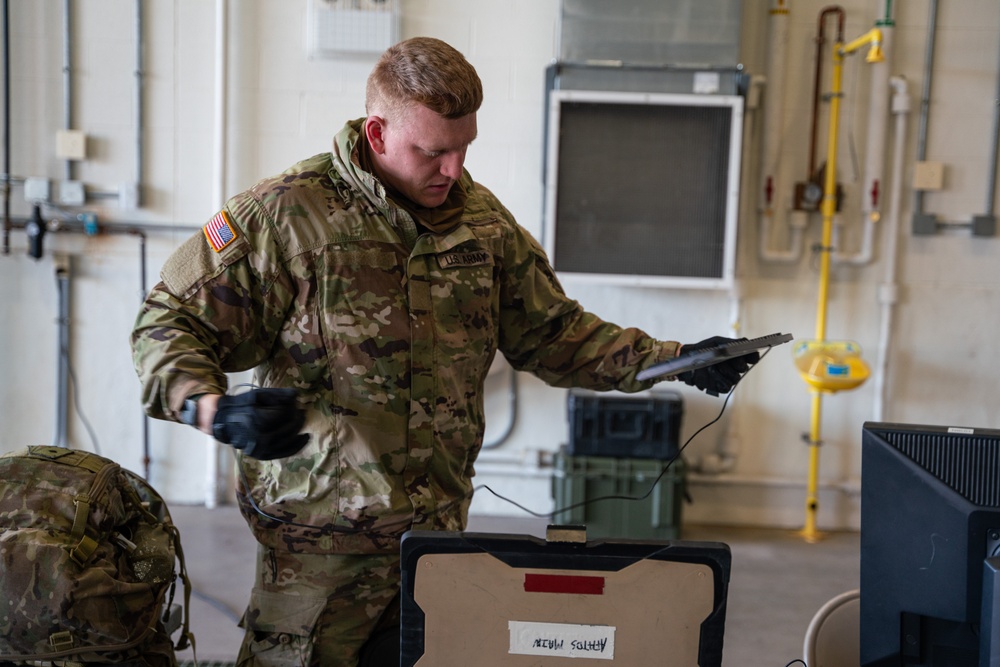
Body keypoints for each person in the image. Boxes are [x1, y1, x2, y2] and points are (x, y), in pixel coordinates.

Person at [130, 36, 757, 667]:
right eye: (433, 152)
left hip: (436, 540)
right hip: (320, 548)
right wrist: (214, 409)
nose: (453, 170)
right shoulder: (286, 217)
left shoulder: (482, 225)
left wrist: (680, 358)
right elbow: (167, 321)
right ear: (377, 133)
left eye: (463, 149)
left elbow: (556, 335)